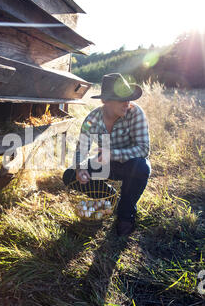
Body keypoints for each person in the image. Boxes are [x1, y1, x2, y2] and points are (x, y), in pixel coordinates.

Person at [63, 72, 151, 236]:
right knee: (69, 175)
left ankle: (126, 214)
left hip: (131, 165)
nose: (127, 103)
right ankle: (109, 196)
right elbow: (82, 149)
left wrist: (112, 154)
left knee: (141, 167)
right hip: (106, 164)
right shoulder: (92, 119)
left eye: (128, 98)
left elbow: (144, 149)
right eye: (121, 98)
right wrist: (80, 169)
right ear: (106, 101)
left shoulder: (135, 113)